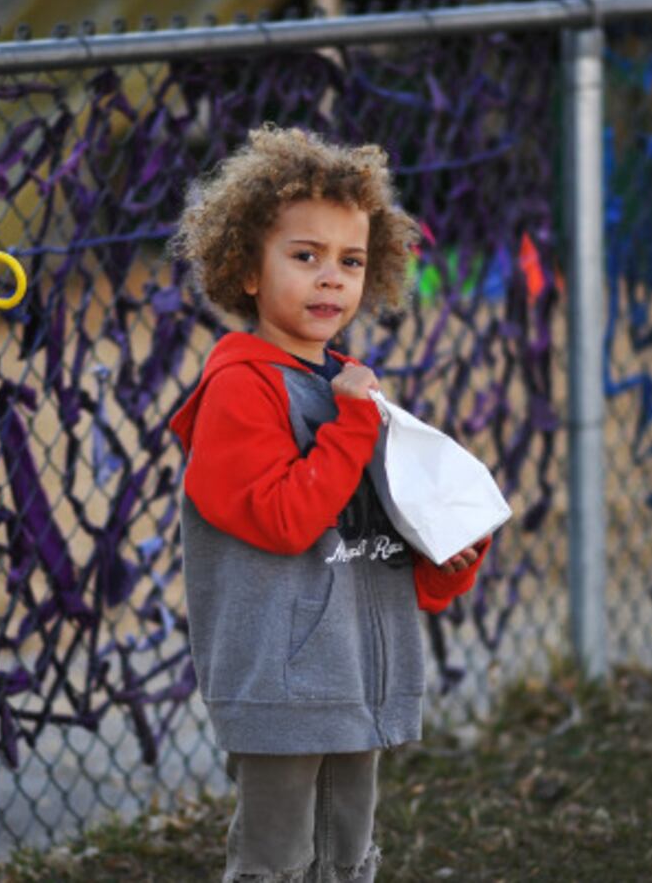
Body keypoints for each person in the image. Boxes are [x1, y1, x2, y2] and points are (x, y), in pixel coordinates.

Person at [169, 125, 490, 882]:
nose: (329, 280)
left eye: (350, 261)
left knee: (346, 859)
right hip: (282, 682)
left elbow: (372, 531)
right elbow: (285, 521)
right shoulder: (240, 390)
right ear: (247, 268)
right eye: (304, 256)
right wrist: (351, 421)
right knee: (276, 863)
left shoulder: (349, 387)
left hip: (357, 674)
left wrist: (446, 563)